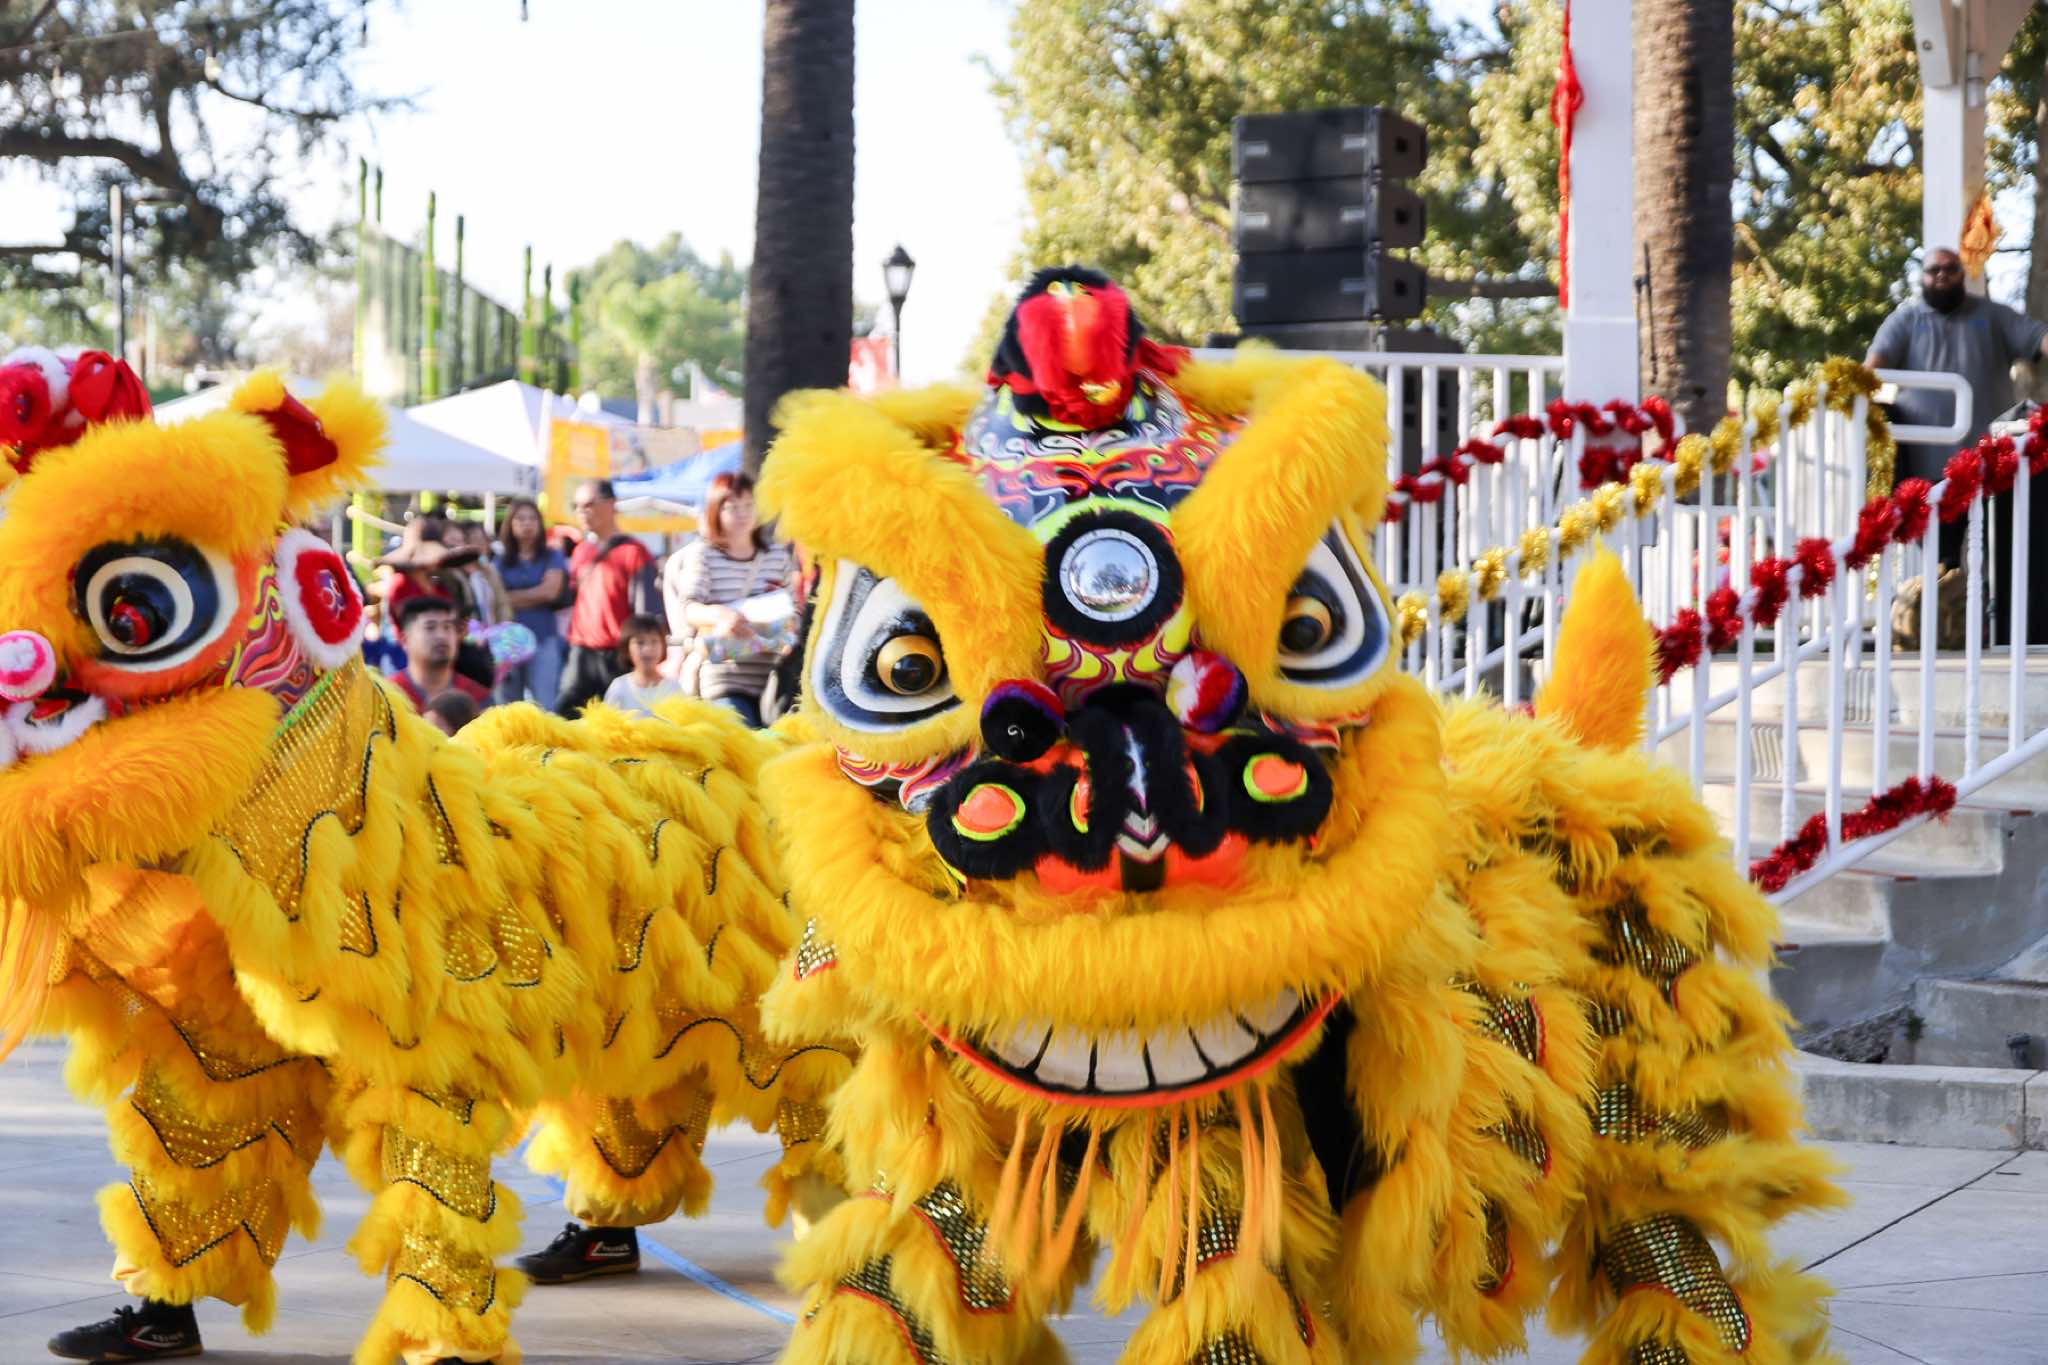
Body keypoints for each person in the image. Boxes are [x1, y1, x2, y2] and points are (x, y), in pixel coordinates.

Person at [1867, 246, 2048, 643]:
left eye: (1950, 269)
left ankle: (1997, 630)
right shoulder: (1905, 320)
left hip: (1989, 467)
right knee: (1942, 558)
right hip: (1930, 469)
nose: (1942, 276)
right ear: (1922, 275)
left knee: (1999, 554)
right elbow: (1871, 368)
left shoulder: (1992, 315)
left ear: (1962, 274)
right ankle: (1940, 632)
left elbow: (2038, 338)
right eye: (1934, 269)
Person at [671, 473, 795, 728]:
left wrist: (788, 628)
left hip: (774, 676)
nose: (742, 513)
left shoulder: (777, 555)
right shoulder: (703, 554)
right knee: (743, 737)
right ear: (715, 511)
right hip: (724, 676)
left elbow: (795, 607)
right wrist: (722, 616)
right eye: (732, 507)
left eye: (749, 505)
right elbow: (688, 608)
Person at [555, 479, 658, 716]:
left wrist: (642, 654)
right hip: (581, 653)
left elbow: (645, 615)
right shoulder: (581, 551)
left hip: (619, 656)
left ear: (611, 504)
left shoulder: (634, 552)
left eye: (588, 505)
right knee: (565, 720)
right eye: (576, 506)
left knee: (621, 725)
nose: (581, 512)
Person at [493, 497, 570, 706]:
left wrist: (511, 598)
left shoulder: (552, 556)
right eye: (521, 519)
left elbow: (550, 592)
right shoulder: (500, 560)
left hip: (543, 637)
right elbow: (496, 599)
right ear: (510, 524)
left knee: (545, 704)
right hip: (508, 642)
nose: (527, 524)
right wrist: (534, 595)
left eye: (532, 519)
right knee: (507, 706)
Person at [388, 594, 492, 713]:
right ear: (405, 640)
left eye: (447, 627)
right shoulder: (388, 697)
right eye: (430, 627)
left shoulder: (477, 697)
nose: (441, 636)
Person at [602, 614, 684, 717]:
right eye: (640, 643)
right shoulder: (619, 687)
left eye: (654, 641)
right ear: (627, 648)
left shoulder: (673, 687)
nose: (648, 649)